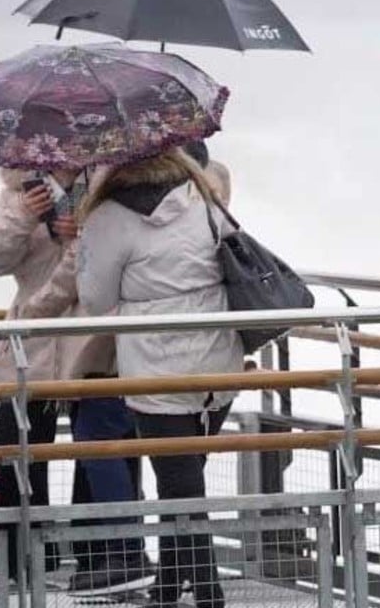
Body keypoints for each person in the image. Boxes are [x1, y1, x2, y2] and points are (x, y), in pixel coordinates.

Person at [76, 146, 241, 608]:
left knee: (179, 486)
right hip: (218, 361)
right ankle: (167, 589)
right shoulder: (200, 198)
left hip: (157, 368)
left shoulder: (108, 217)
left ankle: (209, 595)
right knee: (183, 481)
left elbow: (94, 300)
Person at [0, 165, 150, 590]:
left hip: (90, 336)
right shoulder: (20, 189)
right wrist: (23, 214)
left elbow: (109, 256)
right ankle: (22, 559)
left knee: (99, 447)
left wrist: (82, 237)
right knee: (16, 446)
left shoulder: (109, 184)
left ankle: (97, 557)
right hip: (32, 343)